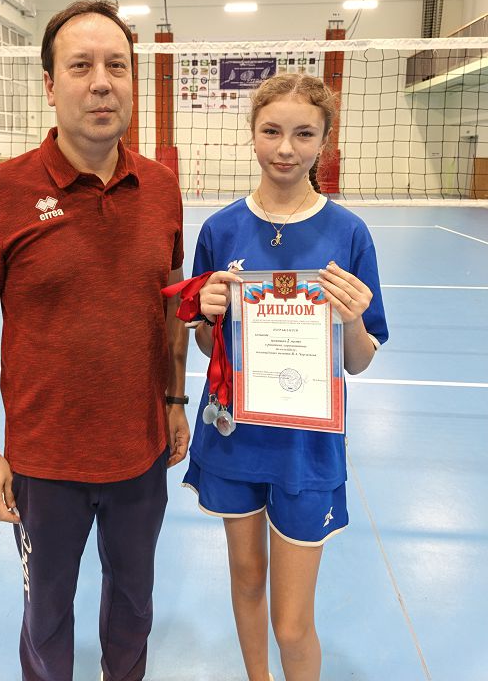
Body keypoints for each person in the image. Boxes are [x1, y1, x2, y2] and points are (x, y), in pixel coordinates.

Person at [0, 0, 190, 681]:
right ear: (51, 86)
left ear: (134, 81)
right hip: (43, 464)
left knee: (134, 607)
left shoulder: (162, 188)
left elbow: (171, 306)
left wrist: (174, 400)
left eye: (117, 66)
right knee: (46, 614)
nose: (102, 83)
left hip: (139, 454)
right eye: (81, 67)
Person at [182, 73, 388, 681]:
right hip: (234, 434)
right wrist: (207, 316)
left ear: (324, 141)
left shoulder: (349, 233)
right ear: (252, 133)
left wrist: (352, 320)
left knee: (293, 624)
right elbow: (207, 345)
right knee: (246, 581)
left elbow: (358, 359)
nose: (285, 148)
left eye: (303, 134)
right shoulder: (220, 230)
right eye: (271, 131)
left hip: (306, 445)